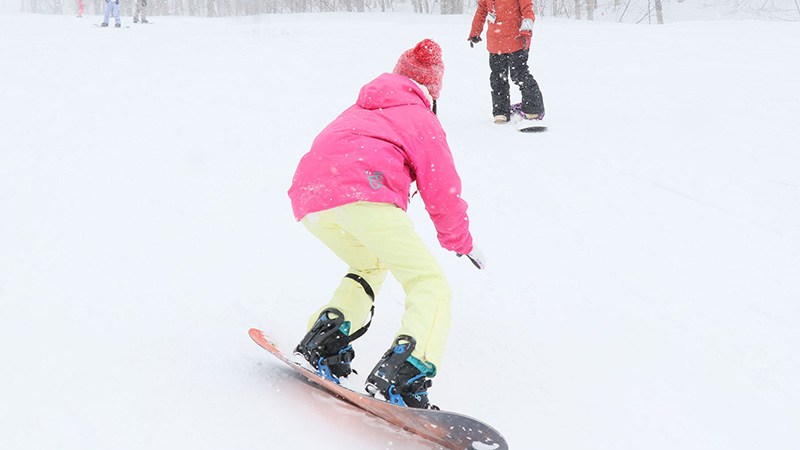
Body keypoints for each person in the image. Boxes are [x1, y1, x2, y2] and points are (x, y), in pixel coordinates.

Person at [288, 39, 485, 410]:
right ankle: (405, 372)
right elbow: (441, 189)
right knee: (429, 283)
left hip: (311, 199)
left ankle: (324, 341)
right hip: (364, 197)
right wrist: (460, 241)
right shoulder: (418, 116)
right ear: (431, 89)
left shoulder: (360, 108)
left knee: (369, 264)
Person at [468, 0, 545, 124]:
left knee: (519, 74)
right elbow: (482, 10)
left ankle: (533, 108)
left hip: (516, 39)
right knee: (498, 77)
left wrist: (526, 31)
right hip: (495, 42)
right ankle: (500, 112)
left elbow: (527, 10)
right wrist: (475, 32)